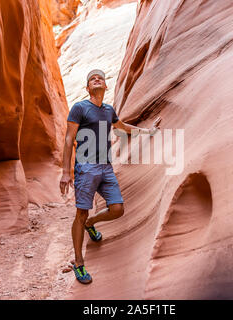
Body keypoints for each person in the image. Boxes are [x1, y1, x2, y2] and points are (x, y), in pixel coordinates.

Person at [59, 69, 161, 284]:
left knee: (117, 209)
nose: (97, 79)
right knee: (80, 214)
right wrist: (65, 172)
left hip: (106, 167)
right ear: (88, 88)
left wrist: (147, 132)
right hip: (85, 168)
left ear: (105, 86)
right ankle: (79, 262)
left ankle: (91, 223)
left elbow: (122, 127)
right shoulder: (79, 108)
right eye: (92, 79)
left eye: (100, 78)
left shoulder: (108, 110)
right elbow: (69, 139)